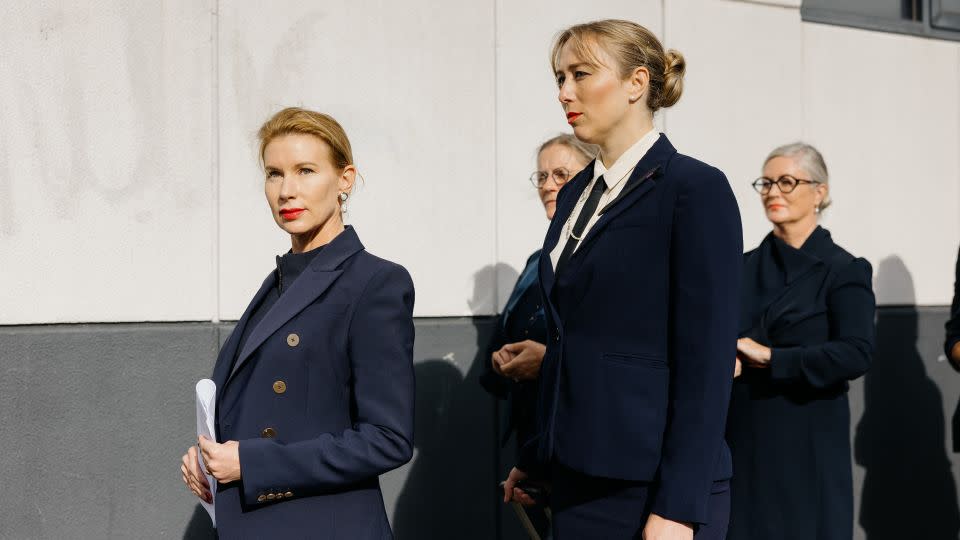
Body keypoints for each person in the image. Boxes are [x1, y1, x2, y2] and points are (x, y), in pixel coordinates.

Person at [502, 19, 742, 540]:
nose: (565, 91)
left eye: (581, 74)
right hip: (575, 475)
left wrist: (678, 506)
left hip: (652, 487)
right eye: (559, 78)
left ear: (636, 83)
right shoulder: (575, 195)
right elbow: (572, 338)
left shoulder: (693, 189)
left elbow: (708, 361)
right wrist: (540, 452)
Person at [178, 107, 415, 538]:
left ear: (344, 179)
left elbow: (387, 438)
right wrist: (206, 456)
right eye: (274, 174)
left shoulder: (375, 282)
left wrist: (252, 463)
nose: (287, 190)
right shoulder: (279, 283)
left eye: (305, 171)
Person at [726, 142, 874, 540]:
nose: (774, 192)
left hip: (807, 440)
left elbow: (856, 353)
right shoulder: (739, 268)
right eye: (767, 183)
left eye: (788, 181)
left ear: (819, 191)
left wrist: (774, 359)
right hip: (745, 440)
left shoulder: (844, 270)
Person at [480, 134, 596, 452]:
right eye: (542, 176)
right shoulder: (537, 261)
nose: (547, 185)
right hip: (533, 431)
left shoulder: (604, 256)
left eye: (561, 174)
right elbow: (504, 337)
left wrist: (547, 361)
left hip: (582, 433)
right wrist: (502, 359)